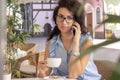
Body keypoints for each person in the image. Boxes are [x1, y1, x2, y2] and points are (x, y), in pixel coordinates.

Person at [39, 0, 102, 80]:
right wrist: (42, 72)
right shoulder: (51, 43)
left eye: (69, 18)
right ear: (56, 19)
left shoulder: (86, 42)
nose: (64, 22)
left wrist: (76, 43)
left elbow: (73, 75)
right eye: (61, 16)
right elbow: (45, 74)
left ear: (76, 21)